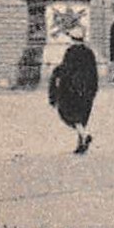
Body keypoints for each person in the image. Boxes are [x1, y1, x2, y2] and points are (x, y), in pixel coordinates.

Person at [48, 24, 99, 154]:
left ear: (73, 39)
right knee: (82, 117)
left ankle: (85, 135)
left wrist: (58, 78)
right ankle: (81, 145)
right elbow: (94, 72)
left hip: (73, 90)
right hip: (87, 90)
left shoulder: (71, 51)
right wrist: (93, 89)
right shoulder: (89, 52)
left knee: (69, 114)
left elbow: (67, 70)